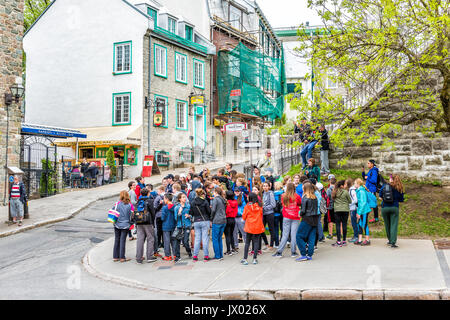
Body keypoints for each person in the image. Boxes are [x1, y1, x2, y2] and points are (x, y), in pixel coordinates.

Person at [272, 182, 301, 258]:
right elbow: (299, 203)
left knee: (285, 234)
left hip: (286, 216)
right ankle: (293, 252)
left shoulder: (283, 196)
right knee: (294, 235)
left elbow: (282, 204)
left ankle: (279, 252)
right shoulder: (297, 196)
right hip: (295, 217)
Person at [296, 182, 320, 261]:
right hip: (315, 219)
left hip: (307, 218)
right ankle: (309, 254)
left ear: (305, 189)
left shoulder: (305, 197)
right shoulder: (315, 197)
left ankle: (303, 253)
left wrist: (300, 213)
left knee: (299, 236)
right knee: (311, 237)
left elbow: (303, 210)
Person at [379, 174, 405, 248]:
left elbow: (380, 196)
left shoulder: (384, 186)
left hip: (385, 207)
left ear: (391, 179)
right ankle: (393, 242)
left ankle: (390, 240)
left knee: (387, 224)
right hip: (394, 208)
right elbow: (401, 199)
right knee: (394, 225)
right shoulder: (399, 188)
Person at [240, 192, 265, 265]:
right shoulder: (260, 206)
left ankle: (245, 259)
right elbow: (261, 215)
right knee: (256, 242)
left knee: (247, 242)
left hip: (249, 226)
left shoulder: (247, 206)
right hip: (257, 226)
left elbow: (244, 217)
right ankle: (255, 259)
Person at [134, 188, 157, 264]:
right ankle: (149, 256)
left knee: (140, 240)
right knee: (150, 239)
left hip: (139, 222)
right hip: (148, 222)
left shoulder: (138, 201)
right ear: (148, 193)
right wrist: (153, 221)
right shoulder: (150, 201)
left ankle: (139, 258)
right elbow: (153, 212)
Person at [190, 188, 212, 262]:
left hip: (196, 221)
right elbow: (209, 212)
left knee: (197, 239)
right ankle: (206, 256)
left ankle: (195, 256)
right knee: (205, 239)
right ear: (202, 194)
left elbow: (191, 213)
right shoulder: (205, 202)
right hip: (205, 220)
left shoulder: (193, 202)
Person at [112, 191, 133, 262]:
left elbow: (113, 212)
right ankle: (122, 257)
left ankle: (115, 257)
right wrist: (130, 224)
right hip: (125, 225)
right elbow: (130, 216)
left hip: (117, 224)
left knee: (117, 240)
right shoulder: (129, 205)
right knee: (122, 241)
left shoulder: (117, 204)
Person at [331, 180, 352, 247]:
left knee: (338, 225)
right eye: (345, 184)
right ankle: (344, 240)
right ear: (341, 186)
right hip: (345, 210)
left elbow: (333, 200)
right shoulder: (346, 192)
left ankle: (338, 241)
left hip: (337, 210)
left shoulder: (334, 192)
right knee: (344, 224)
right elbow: (350, 201)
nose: (346, 185)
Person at [174, 192, 193, 260]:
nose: (185, 198)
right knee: (177, 242)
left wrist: (189, 216)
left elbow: (192, 215)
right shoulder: (176, 207)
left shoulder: (188, 206)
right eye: (183, 197)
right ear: (179, 199)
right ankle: (178, 256)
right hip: (179, 226)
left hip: (187, 225)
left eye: (185, 197)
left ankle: (189, 251)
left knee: (185, 242)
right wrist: (179, 213)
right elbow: (175, 218)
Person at [210, 187, 227, 261]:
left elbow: (213, 210)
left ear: (216, 192)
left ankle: (217, 255)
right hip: (223, 219)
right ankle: (221, 255)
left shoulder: (216, 199)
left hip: (217, 220)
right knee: (219, 238)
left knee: (215, 238)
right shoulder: (223, 199)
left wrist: (211, 218)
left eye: (213, 192)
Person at [354, 178, 371, 246]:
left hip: (364, 211)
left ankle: (367, 240)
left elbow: (363, 203)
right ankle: (360, 239)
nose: (354, 184)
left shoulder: (361, 191)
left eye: (355, 183)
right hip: (361, 210)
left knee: (365, 224)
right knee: (360, 224)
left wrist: (359, 212)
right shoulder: (358, 190)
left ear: (358, 184)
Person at [161, 193, 176, 261]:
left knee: (166, 241)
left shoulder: (164, 208)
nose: (163, 200)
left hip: (166, 226)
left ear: (167, 199)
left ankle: (168, 256)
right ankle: (175, 254)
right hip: (173, 225)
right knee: (173, 241)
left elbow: (163, 218)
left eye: (164, 198)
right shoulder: (175, 206)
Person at [261, 181, 276, 250]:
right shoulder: (262, 193)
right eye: (264, 186)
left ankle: (271, 245)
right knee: (261, 229)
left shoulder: (271, 193)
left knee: (271, 229)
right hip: (263, 214)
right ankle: (266, 243)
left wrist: (264, 208)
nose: (265, 187)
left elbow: (273, 205)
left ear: (269, 187)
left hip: (269, 213)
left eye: (266, 186)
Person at [225, 190, 238, 255]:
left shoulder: (227, 202)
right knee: (231, 234)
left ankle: (228, 250)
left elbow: (227, 211)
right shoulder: (235, 202)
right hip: (233, 219)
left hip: (227, 219)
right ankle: (233, 248)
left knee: (227, 235)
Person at [153, 185, 165, 253]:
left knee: (158, 231)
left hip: (158, 216)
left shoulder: (158, 197)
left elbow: (155, 206)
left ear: (161, 190)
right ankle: (164, 243)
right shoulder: (166, 196)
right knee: (164, 230)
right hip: (164, 215)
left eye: (158, 190)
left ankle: (158, 244)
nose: (157, 192)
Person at [273, 181, 285, 248]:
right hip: (283, 212)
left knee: (276, 228)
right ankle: (283, 242)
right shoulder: (284, 193)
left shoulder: (273, 194)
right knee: (283, 228)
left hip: (275, 213)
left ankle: (276, 243)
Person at [347, 178, 359, 243]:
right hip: (352, 208)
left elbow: (355, 200)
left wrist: (349, 203)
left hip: (353, 208)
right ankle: (355, 235)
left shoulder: (352, 190)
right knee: (354, 223)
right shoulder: (351, 190)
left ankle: (356, 236)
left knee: (354, 223)